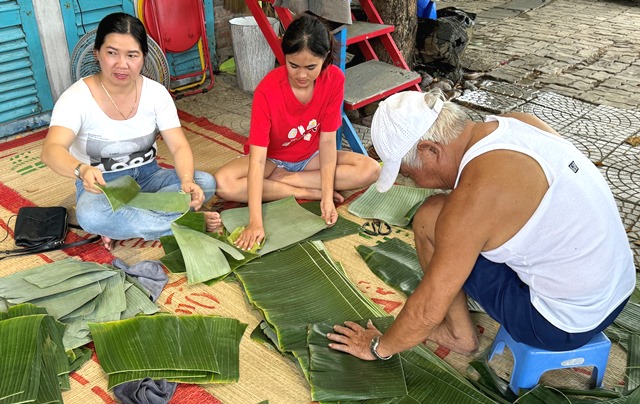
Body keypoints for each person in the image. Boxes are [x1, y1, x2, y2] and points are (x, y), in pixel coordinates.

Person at [327, 89, 635, 360]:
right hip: (617, 292)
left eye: (409, 173)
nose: (414, 181)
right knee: (444, 215)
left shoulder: (475, 199)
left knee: (428, 219)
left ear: (430, 151)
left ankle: (458, 336)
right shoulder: (517, 122)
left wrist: (378, 347)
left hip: (561, 325)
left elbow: (429, 306)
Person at [41, 13, 221, 250]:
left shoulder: (156, 94)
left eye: (132, 55)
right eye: (112, 53)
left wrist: (187, 180)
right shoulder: (76, 98)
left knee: (205, 182)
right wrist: (81, 169)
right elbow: (51, 150)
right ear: (97, 53)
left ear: (143, 57)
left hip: (150, 177)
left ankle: (125, 222)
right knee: (91, 215)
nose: (122, 64)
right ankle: (186, 222)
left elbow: (178, 146)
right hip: (104, 186)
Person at [214, 13, 380, 251]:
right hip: (272, 159)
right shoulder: (267, 90)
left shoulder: (334, 79)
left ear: (325, 58)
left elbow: (327, 142)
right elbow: (259, 159)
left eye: (311, 67)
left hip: (311, 157)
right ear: (285, 56)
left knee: (370, 169)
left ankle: (287, 181)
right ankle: (299, 190)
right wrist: (255, 222)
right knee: (222, 183)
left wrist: (326, 198)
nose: (302, 75)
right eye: (293, 65)